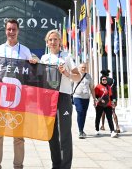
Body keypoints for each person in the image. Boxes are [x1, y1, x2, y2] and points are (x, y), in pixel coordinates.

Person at [0, 18, 37, 169]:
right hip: (0, 97)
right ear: (5, 31)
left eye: (14, 29)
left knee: (18, 136)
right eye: (9, 29)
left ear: (18, 31)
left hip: (19, 98)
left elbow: (34, 68)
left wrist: (35, 60)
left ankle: (18, 166)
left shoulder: (25, 50)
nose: (11, 32)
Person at [40, 29, 80, 169]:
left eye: (55, 39)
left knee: (64, 133)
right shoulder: (44, 58)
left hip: (63, 96)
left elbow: (77, 76)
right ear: (47, 42)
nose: (53, 42)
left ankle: (65, 166)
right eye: (50, 39)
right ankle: (56, 165)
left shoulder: (67, 56)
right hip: (49, 97)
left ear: (60, 41)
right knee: (51, 134)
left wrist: (67, 73)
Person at [72, 63, 95, 139]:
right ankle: (80, 131)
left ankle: (81, 129)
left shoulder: (88, 76)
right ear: (79, 68)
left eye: (85, 67)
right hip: (77, 96)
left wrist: (94, 99)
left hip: (86, 98)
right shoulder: (75, 75)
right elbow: (70, 85)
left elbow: (92, 88)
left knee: (84, 114)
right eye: (82, 67)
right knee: (80, 111)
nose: (83, 69)